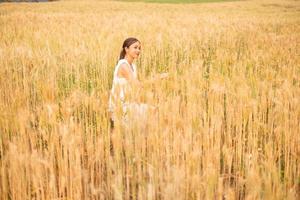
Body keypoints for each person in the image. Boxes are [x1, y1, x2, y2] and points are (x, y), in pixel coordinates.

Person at [108, 37, 168, 130]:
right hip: (120, 107)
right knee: (152, 113)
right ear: (126, 49)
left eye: (139, 48)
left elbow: (137, 89)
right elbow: (138, 85)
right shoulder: (123, 65)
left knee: (154, 111)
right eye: (135, 47)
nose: (138, 50)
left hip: (129, 103)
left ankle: (147, 140)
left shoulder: (133, 67)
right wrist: (157, 78)